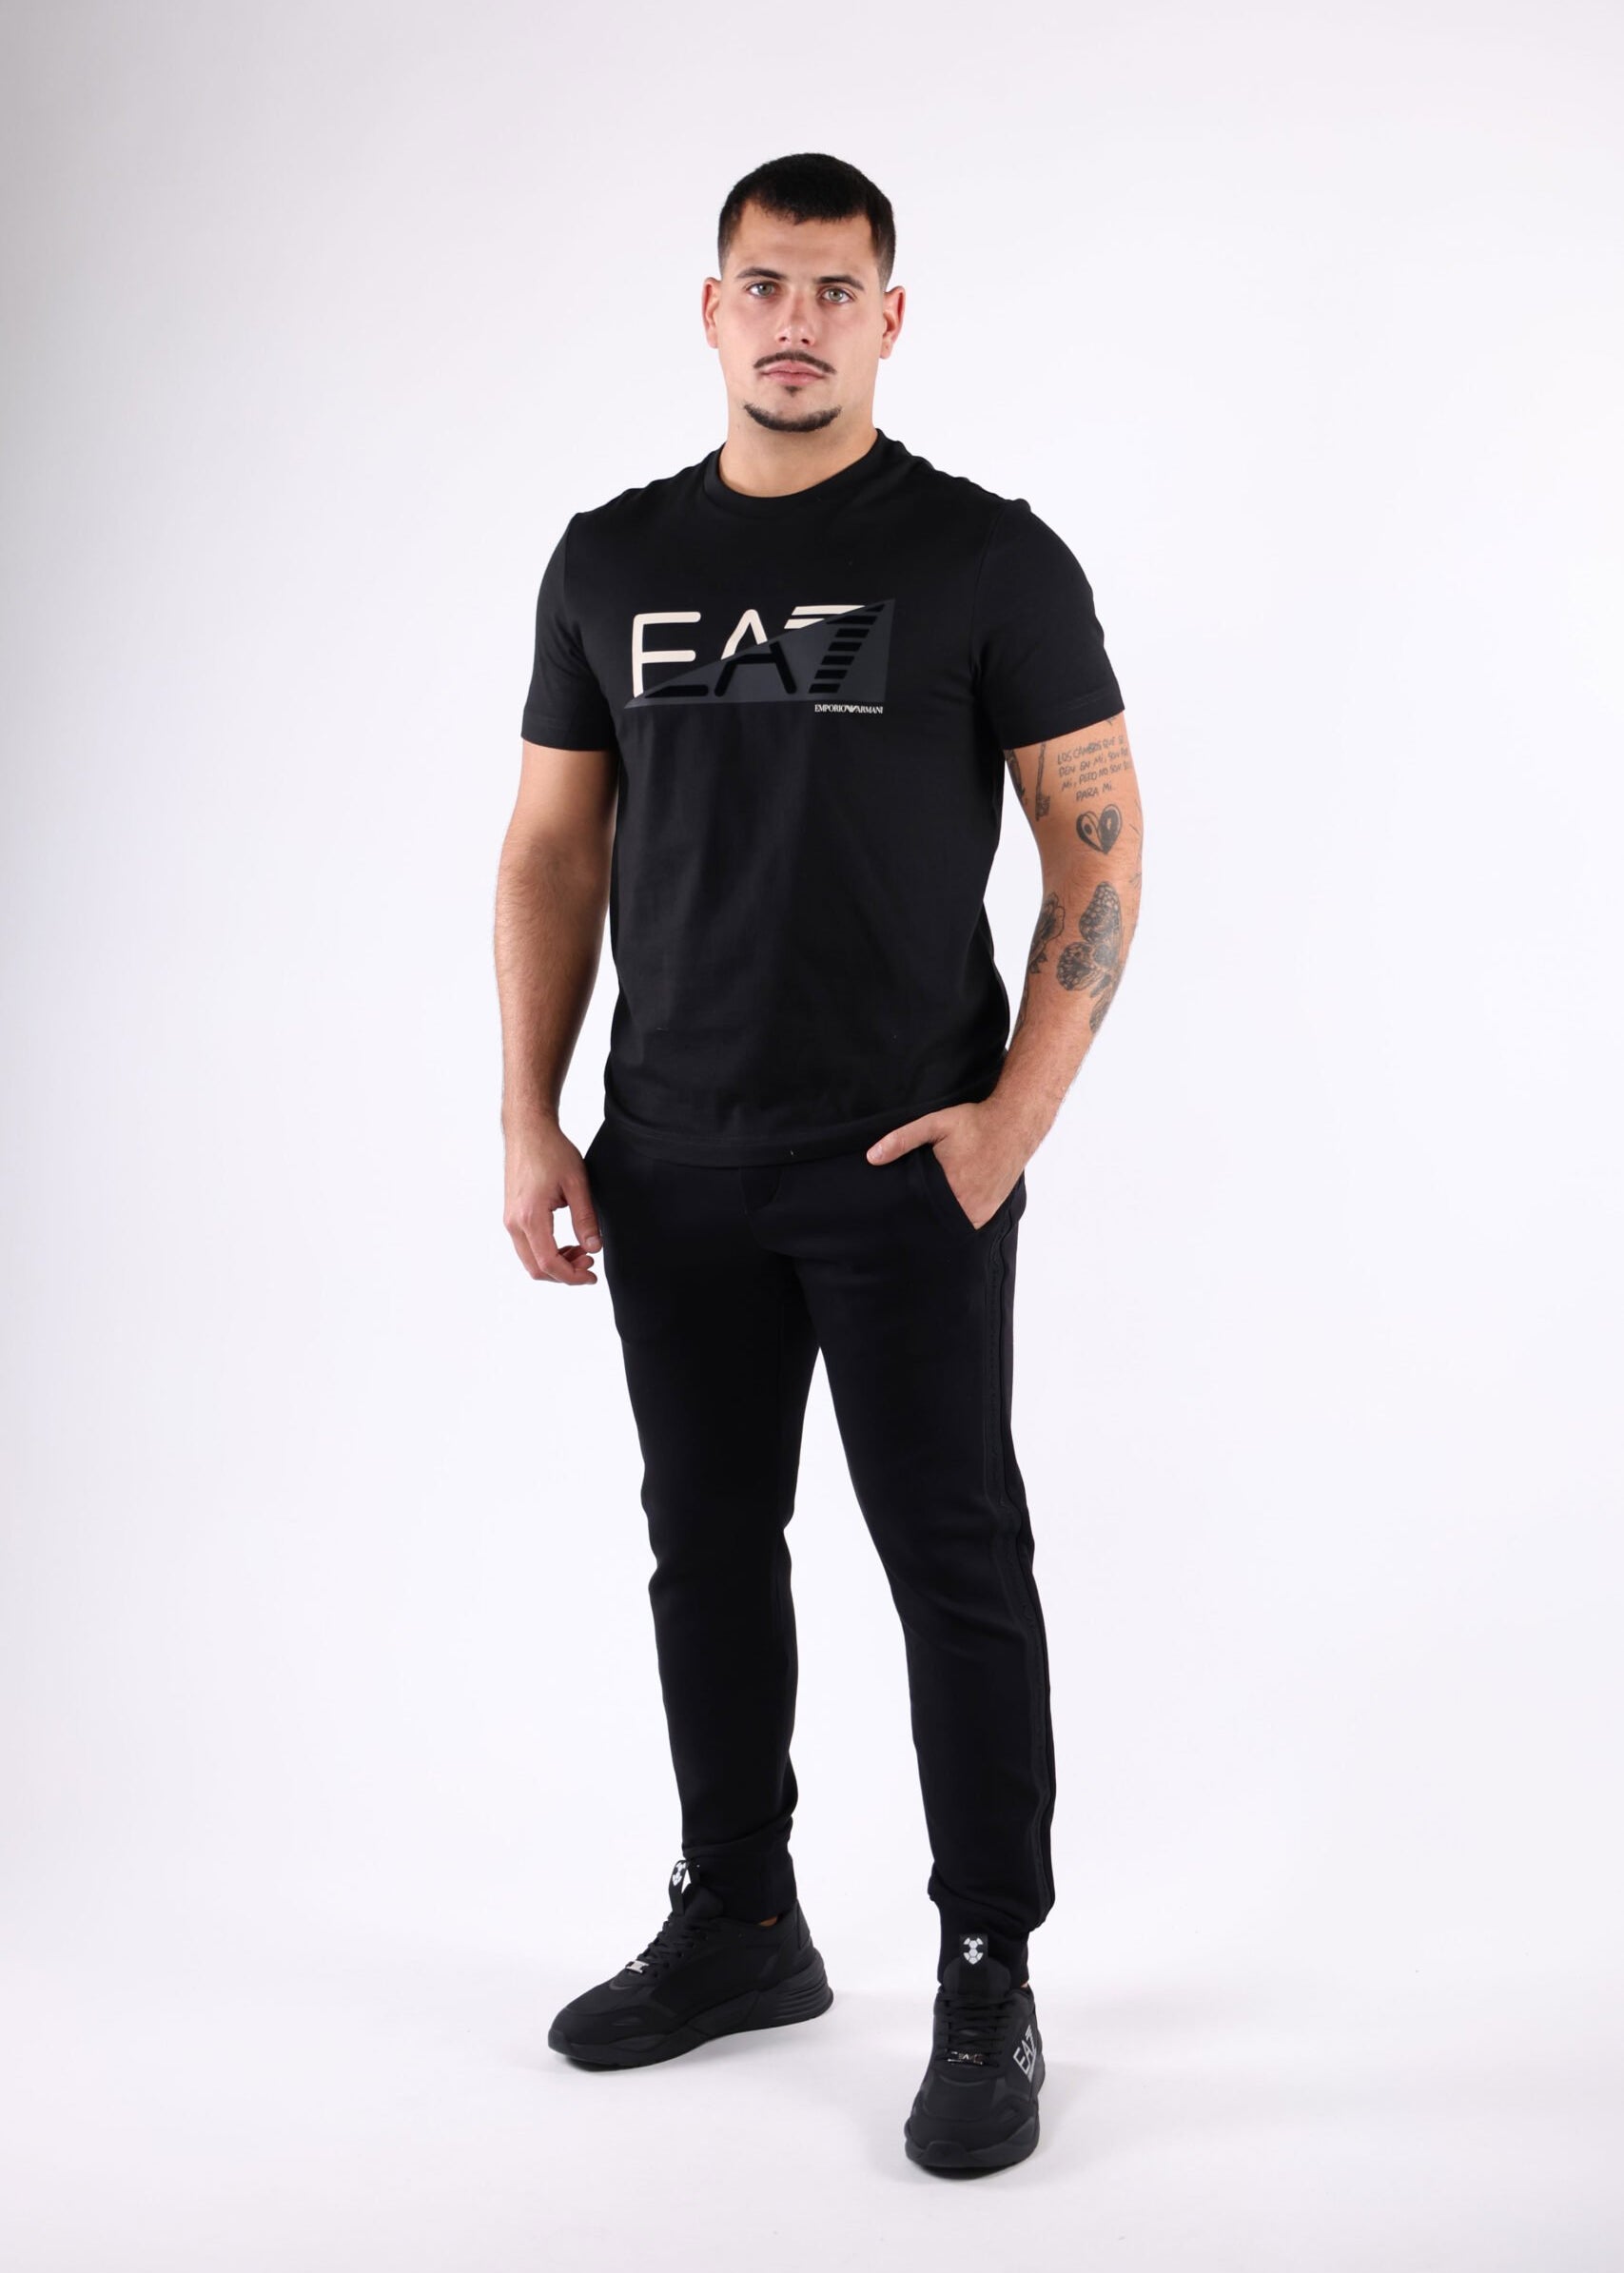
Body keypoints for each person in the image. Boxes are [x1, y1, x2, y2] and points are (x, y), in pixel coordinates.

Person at [494, 151, 1142, 2173]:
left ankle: (987, 1963)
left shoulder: (985, 560)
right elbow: (552, 850)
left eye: (834, 290)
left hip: (901, 1158)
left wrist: (1008, 1122)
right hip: (671, 1156)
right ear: (712, 310)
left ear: (888, 318)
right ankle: (742, 1920)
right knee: (706, 1545)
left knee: (952, 1558)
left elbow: (1099, 850)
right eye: (763, 285)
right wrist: (529, 1111)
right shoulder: (609, 558)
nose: (796, 321)